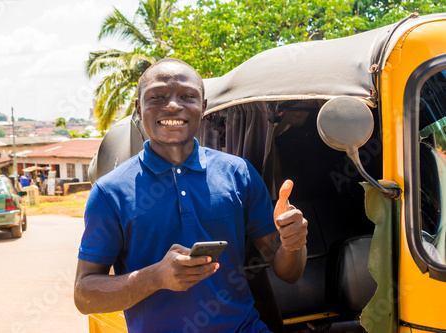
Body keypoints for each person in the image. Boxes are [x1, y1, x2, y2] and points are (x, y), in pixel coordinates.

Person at [74, 58, 308, 332]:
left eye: (187, 96)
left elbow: (289, 273)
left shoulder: (238, 173)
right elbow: (84, 295)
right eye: (157, 97)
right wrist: (155, 277)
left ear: (203, 107)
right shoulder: (109, 192)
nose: (173, 105)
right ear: (139, 108)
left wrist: (293, 243)